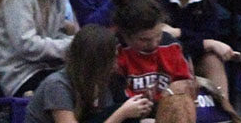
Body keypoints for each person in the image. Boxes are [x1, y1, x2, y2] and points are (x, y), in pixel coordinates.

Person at [157, 0, 241, 106]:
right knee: (185, 58)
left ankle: (226, 113)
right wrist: (206, 43)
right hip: (160, 58)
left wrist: (180, 33)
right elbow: (156, 37)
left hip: (194, 53)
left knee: (212, 60)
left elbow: (209, 37)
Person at [24, 24, 152, 123]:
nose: (116, 64)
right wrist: (122, 113)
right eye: (111, 59)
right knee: (120, 112)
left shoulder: (103, 82)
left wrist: (139, 109)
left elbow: (104, 116)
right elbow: (114, 116)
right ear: (96, 62)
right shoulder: (57, 85)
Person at [113, 0, 193, 107]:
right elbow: (118, 98)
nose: (154, 43)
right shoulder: (117, 52)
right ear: (126, 36)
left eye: (158, 35)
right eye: (144, 40)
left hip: (169, 109)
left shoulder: (171, 46)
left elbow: (185, 85)